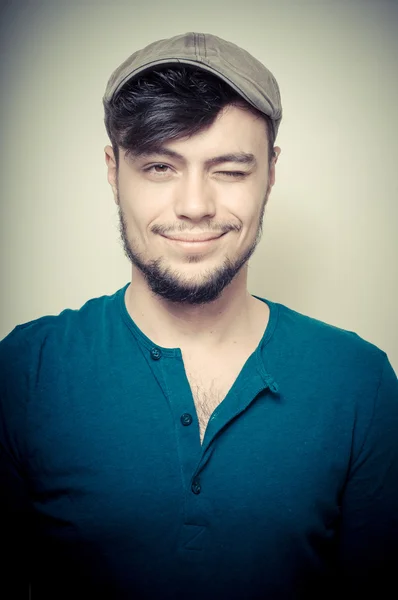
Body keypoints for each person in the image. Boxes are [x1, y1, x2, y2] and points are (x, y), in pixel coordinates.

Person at [1, 32, 397, 600]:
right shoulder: (24, 372)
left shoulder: (360, 382)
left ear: (271, 172)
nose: (194, 205)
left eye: (230, 170)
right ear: (114, 171)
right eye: (160, 166)